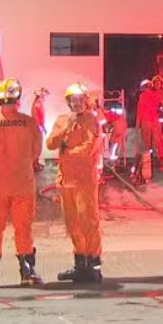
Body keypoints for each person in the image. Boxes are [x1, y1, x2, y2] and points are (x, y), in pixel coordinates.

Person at [0, 78, 43, 288]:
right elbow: (36, 152)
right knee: (23, 228)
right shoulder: (30, 123)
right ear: (18, 99)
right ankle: (27, 272)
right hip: (23, 183)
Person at [46, 83, 104, 282]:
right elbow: (50, 143)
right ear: (68, 102)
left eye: (81, 100)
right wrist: (65, 130)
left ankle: (94, 266)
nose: (78, 103)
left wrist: (65, 152)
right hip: (66, 182)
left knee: (89, 222)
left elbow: (87, 149)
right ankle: (80, 264)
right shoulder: (63, 120)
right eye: (74, 100)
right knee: (72, 225)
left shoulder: (92, 121)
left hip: (84, 181)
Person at [135, 76, 163, 181]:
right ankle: (158, 160)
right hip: (155, 121)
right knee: (156, 142)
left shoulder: (143, 96)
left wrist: (137, 125)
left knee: (145, 145)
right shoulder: (158, 94)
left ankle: (144, 166)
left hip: (146, 121)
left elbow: (140, 110)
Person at [30, 87, 48, 171]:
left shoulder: (38, 103)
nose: (44, 96)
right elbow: (36, 117)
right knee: (37, 147)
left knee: (37, 146)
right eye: (43, 94)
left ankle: (36, 163)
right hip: (37, 128)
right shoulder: (37, 104)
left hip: (38, 127)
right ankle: (35, 164)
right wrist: (40, 127)